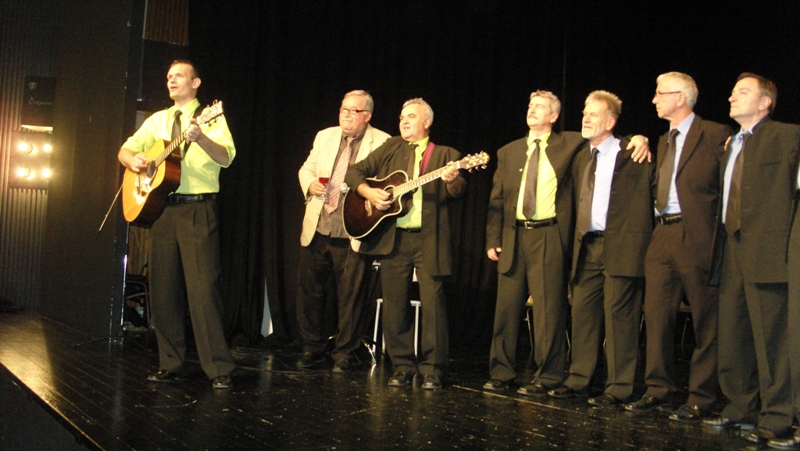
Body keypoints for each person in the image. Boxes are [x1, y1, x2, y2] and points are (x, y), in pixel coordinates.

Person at [483, 90, 649, 395]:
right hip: (513, 236)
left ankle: (548, 375)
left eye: (540, 107)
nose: (532, 110)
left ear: (554, 116)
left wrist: (640, 138)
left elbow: (610, 139)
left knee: (549, 311)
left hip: (550, 234)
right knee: (506, 310)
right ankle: (501, 373)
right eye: (530, 105)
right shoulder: (508, 151)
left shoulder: (572, 143)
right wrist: (493, 238)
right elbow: (497, 200)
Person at [118, 60, 236, 389]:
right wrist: (135, 161)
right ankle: (171, 363)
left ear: (195, 83)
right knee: (164, 290)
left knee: (204, 291)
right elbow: (125, 150)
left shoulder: (210, 116)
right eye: (169, 76)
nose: (171, 80)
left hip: (197, 208)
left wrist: (201, 138)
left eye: (179, 76)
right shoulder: (157, 120)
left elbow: (226, 157)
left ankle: (219, 367)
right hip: (162, 210)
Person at [624, 72, 731, 422]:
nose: (654, 99)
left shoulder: (714, 133)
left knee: (706, 320)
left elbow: (728, 186)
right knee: (657, 316)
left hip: (697, 233)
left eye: (660, 93)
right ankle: (658, 389)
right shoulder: (662, 140)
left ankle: (702, 397)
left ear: (681, 97)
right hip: (662, 234)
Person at [702, 73, 800, 445]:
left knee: (771, 338)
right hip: (731, 246)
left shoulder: (788, 136)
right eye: (731, 91)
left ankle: (776, 416)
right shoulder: (732, 144)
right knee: (733, 332)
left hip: (769, 251)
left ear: (765, 102)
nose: (731, 97)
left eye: (742, 92)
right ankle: (739, 406)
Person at [345, 98, 465, 390]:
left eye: (411, 116)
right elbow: (353, 173)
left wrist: (451, 180)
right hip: (394, 239)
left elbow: (458, 191)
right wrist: (369, 194)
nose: (404, 121)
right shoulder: (391, 147)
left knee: (433, 304)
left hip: (429, 239)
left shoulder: (446, 155)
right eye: (401, 117)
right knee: (395, 305)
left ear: (426, 122)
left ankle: (433, 369)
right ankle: (402, 366)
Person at [547, 91, 653, 406]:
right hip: (587, 245)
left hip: (620, 244)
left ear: (610, 122)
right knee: (583, 314)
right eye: (584, 112)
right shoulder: (580, 155)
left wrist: (642, 138)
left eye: (593, 114)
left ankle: (618, 388)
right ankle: (579, 380)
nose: (586, 118)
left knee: (620, 318)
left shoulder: (630, 151)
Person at [295, 90, 390, 372]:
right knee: (310, 292)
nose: (346, 115)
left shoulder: (382, 142)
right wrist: (310, 184)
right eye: (343, 109)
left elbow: (385, 183)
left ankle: (344, 353)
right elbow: (306, 169)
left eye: (353, 111)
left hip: (353, 230)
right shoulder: (325, 136)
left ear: (367, 116)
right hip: (319, 225)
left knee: (351, 298)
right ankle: (311, 348)